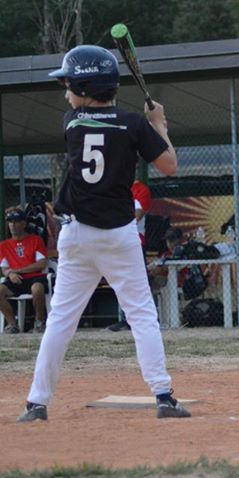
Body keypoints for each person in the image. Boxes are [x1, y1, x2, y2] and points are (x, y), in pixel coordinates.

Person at [17, 45, 190, 421]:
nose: (66, 93)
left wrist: (145, 126)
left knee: (62, 319)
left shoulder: (71, 122)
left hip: (76, 235)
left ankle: (36, 403)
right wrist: (159, 123)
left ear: (84, 86)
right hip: (118, 235)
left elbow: (99, 121)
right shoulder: (134, 123)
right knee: (142, 315)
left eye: (69, 85)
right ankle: (163, 395)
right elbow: (170, 166)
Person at [107, 179, 153, 332]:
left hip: (134, 241)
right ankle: (126, 318)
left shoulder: (141, 190)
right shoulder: (116, 187)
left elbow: (137, 215)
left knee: (138, 282)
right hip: (115, 241)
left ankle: (144, 319)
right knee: (121, 280)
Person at [0, 209, 49, 334]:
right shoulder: (3, 245)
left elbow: (41, 264)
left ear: (24, 224)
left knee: (37, 289)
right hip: (15, 279)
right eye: (10, 222)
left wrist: (17, 270)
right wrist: (10, 274)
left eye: (16, 221)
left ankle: (39, 323)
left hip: (35, 277)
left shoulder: (36, 240)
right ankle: (12, 325)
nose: (12, 225)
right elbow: (4, 269)